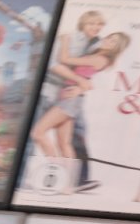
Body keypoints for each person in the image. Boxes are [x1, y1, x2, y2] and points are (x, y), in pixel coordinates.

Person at [31, 32, 130, 161]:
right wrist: (81, 87)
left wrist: (65, 40)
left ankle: (53, 168)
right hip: (70, 98)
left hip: (70, 100)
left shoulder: (100, 58)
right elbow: (88, 79)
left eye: (114, 42)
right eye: (109, 37)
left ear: (117, 48)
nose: (108, 40)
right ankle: (65, 172)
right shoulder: (97, 54)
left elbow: (64, 59)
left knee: (38, 133)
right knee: (64, 144)